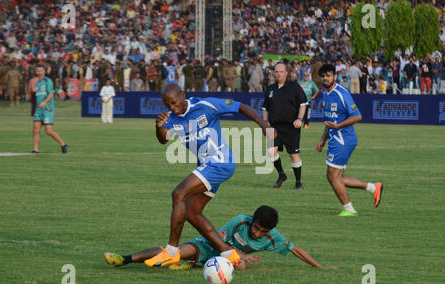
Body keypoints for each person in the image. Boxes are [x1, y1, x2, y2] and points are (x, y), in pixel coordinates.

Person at [145, 83, 274, 268]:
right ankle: (228, 252)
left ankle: (171, 250)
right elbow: (163, 139)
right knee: (192, 212)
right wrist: (158, 126)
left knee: (178, 194)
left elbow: (239, 106)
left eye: (174, 103)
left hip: (220, 162)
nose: (172, 108)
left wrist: (263, 125)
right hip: (208, 167)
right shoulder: (171, 118)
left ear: (182, 94)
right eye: (168, 105)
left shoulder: (206, 106)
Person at [104, 205, 338, 271]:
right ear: (252, 220)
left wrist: (321, 266)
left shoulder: (273, 238)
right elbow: (216, 239)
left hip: (228, 260)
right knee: (172, 253)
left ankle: (195, 266)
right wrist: (241, 254)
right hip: (208, 246)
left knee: (242, 266)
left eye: (261, 232)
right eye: (255, 228)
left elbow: (296, 249)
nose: (256, 233)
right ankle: (124, 259)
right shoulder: (240, 220)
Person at [315, 64, 383, 216]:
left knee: (333, 176)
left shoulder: (342, 94)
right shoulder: (325, 93)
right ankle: (373, 188)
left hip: (343, 140)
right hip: (335, 139)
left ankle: (349, 209)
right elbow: (330, 121)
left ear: (335, 76)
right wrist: (322, 140)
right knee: (335, 177)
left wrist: (338, 125)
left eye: (328, 75)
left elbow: (357, 116)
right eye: (323, 76)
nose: (325, 78)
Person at [262, 63, 308, 190]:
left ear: (286, 73)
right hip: (274, 127)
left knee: (293, 154)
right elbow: (265, 108)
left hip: (291, 126)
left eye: (281, 71)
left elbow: (303, 104)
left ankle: (298, 182)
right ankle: (281, 175)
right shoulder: (270, 89)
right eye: (276, 71)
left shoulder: (294, 87)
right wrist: (264, 124)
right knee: (271, 151)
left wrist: (299, 119)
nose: (278, 74)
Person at [32, 64, 68, 154]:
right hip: (39, 109)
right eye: (38, 70)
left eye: (41, 70)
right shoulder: (37, 83)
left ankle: (63, 144)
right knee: (35, 129)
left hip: (48, 109)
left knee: (48, 131)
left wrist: (44, 102)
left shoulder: (48, 81)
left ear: (44, 71)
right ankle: (36, 149)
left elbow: (51, 93)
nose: (39, 72)